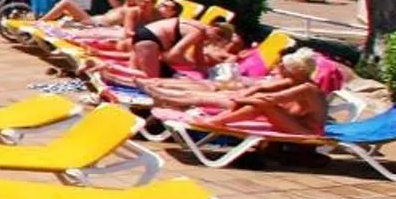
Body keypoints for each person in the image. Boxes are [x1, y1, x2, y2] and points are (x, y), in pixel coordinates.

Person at [140, 49, 329, 137]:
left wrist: (244, 98)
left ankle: (217, 122)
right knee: (254, 100)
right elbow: (262, 89)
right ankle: (165, 94)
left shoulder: (307, 88)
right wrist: (242, 96)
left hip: (308, 131)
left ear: (296, 71)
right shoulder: (292, 81)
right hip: (291, 121)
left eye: (284, 66)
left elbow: (270, 99)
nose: (279, 68)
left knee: (264, 105)